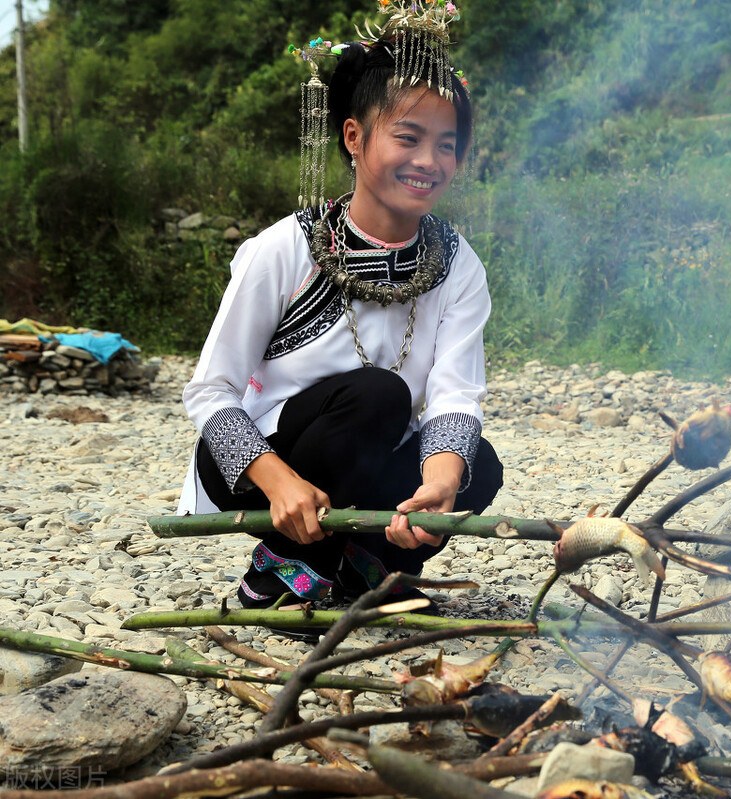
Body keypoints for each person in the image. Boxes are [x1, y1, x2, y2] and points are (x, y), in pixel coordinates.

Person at [176, 8, 502, 623]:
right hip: (263, 466)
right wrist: (278, 481)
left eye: (446, 145)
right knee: (378, 396)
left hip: (371, 459)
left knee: (476, 462)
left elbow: (456, 398)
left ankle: (371, 566)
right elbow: (210, 392)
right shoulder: (284, 249)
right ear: (354, 138)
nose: (428, 160)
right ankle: (277, 571)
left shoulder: (459, 265)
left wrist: (439, 486)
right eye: (407, 138)